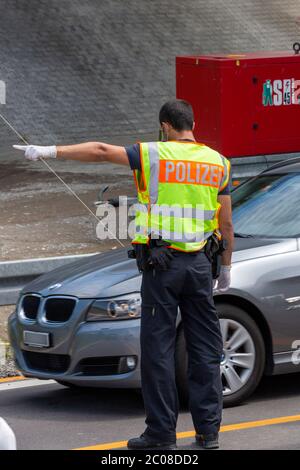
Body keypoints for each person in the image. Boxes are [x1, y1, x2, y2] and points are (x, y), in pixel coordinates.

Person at [14, 99, 234, 450]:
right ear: (192, 124)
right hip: (198, 268)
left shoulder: (152, 154)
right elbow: (225, 222)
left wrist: (47, 151)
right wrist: (225, 268)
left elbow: (101, 151)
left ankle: (161, 434)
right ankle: (209, 433)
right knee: (206, 350)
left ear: (165, 125)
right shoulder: (218, 162)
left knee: (159, 351)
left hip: (163, 268)